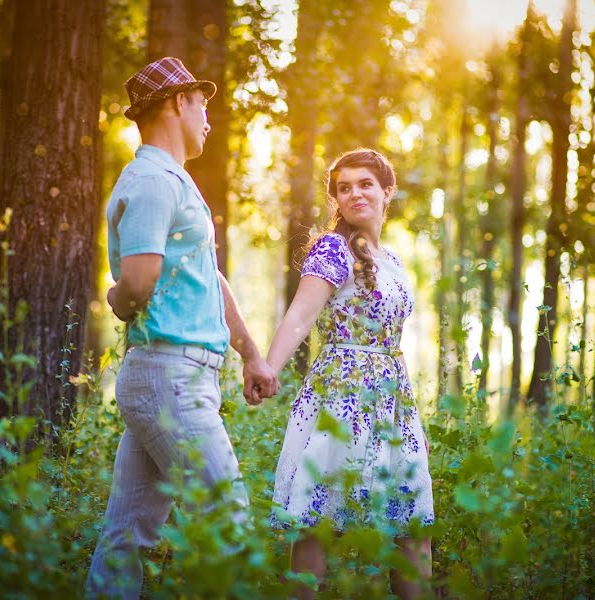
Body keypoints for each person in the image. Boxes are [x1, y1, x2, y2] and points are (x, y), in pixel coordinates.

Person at [85, 57, 278, 599]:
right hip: (169, 377)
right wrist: (118, 299)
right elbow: (139, 280)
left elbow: (207, 278)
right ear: (177, 103)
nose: (208, 119)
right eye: (202, 105)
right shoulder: (151, 180)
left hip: (173, 377)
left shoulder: (173, 180)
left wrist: (250, 353)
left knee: (126, 534)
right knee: (228, 519)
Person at [266, 149, 434, 599]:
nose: (355, 193)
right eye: (344, 187)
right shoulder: (332, 248)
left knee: (413, 521)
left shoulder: (393, 260)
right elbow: (300, 317)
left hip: (393, 399)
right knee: (318, 522)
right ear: (335, 200)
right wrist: (267, 369)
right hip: (340, 395)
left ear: (386, 191)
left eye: (365, 184)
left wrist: (409, 418)